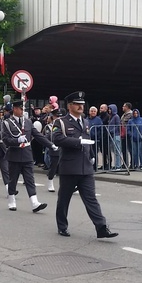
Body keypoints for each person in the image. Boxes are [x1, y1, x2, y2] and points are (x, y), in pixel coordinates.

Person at [52, 91, 118, 239]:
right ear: (70, 106)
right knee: (64, 199)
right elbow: (57, 139)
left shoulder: (86, 122)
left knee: (91, 198)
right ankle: (62, 226)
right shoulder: (61, 122)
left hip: (86, 167)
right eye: (77, 104)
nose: (81, 107)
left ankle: (101, 227)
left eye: (82, 104)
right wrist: (77, 142)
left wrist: (92, 157)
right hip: (70, 167)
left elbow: (88, 142)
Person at [2, 100, 56, 212]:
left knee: (30, 179)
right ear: (15, 109)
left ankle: (34, 202)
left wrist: (51, 145)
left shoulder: (27, 122)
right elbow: (6, 140)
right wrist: (17, 140)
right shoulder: (7, 123)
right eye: (21, 109)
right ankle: (11, 200)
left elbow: (38, 136)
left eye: (24, 109)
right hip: (14, 154)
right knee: (13, 179)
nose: (23, 111)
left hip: (27, 154)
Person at [44, 108, 64, 192]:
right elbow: (47, 137)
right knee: (53, 167)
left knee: (65, 168)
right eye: (56, 116)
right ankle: (50, 182)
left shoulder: (63, 125)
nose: (58, 118)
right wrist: (51, 145)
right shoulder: (49, 127)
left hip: (63, 149)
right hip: (54, 148)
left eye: (59, 116)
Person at [120, 102, 134, 167]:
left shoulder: (131, 114)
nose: (122, 107)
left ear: (127, 107)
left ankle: (132, 164)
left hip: (128, 134)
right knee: (124, 149)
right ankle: (125, 163)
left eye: (124, 106)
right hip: (123, 134)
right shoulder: (124, 115)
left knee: (131, 149)